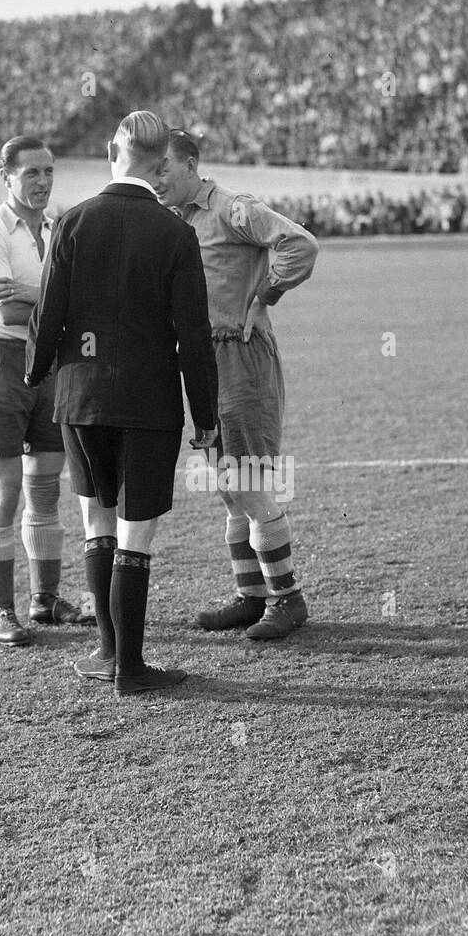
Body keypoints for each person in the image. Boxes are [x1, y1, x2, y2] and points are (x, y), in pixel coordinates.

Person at [26, 110, 218, 696]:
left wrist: (37, 375)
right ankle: (130, 669)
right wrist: (206, 418)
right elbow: (193, 334)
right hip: (147, 402)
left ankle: (108, 654)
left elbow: (47, 315)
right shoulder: (175, 233)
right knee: (136, 535)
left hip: (79, 401)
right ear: (162, 164)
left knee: (96, 522)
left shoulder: (73, 222)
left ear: (113, 150)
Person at [156, 129, 319, 640]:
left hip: (240, 355)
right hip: (203, 361)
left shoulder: (231, 208)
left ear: (191, 164)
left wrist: (264, 296)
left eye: (164, 167)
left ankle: (288, 600)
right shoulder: (174, 220)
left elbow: (299, 242)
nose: (156, 178)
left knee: (246, 481)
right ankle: (250, 597)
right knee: (228, 488)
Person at [0, 134, 93, 646]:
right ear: (7, 177)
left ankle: (45, 599)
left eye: (49, 172)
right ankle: (0, 610)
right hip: (1, 363)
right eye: (31, 173)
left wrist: (39, 296)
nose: (42, 182)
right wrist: (57, 301)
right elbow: (5, 312)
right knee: (5, 491)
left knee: (45, 486)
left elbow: (75, 299)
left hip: (49, 363)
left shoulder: (61, 230)